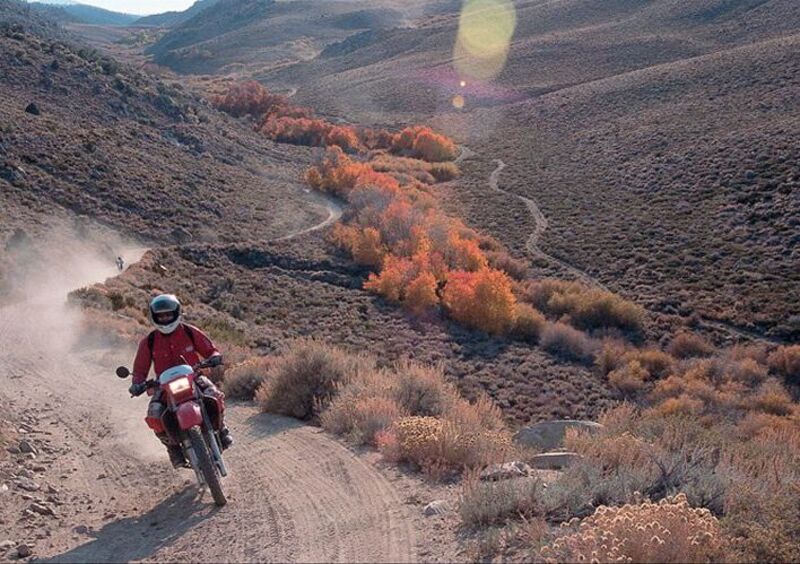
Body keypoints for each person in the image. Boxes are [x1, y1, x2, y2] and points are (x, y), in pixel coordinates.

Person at [129, 294, 233, 468]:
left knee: (214, 395)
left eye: (168, 314)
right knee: (155, 415)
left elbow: (210, 349)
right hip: (164, 386)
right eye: (161, 316)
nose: (165, 318)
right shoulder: (149, 342)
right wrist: (137, 383)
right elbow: (140, 369)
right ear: (154, 317)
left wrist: (214, 357)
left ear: (176, 313)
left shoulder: (189, 332)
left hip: (194, 377)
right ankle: (173, 448)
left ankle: (221, 429)